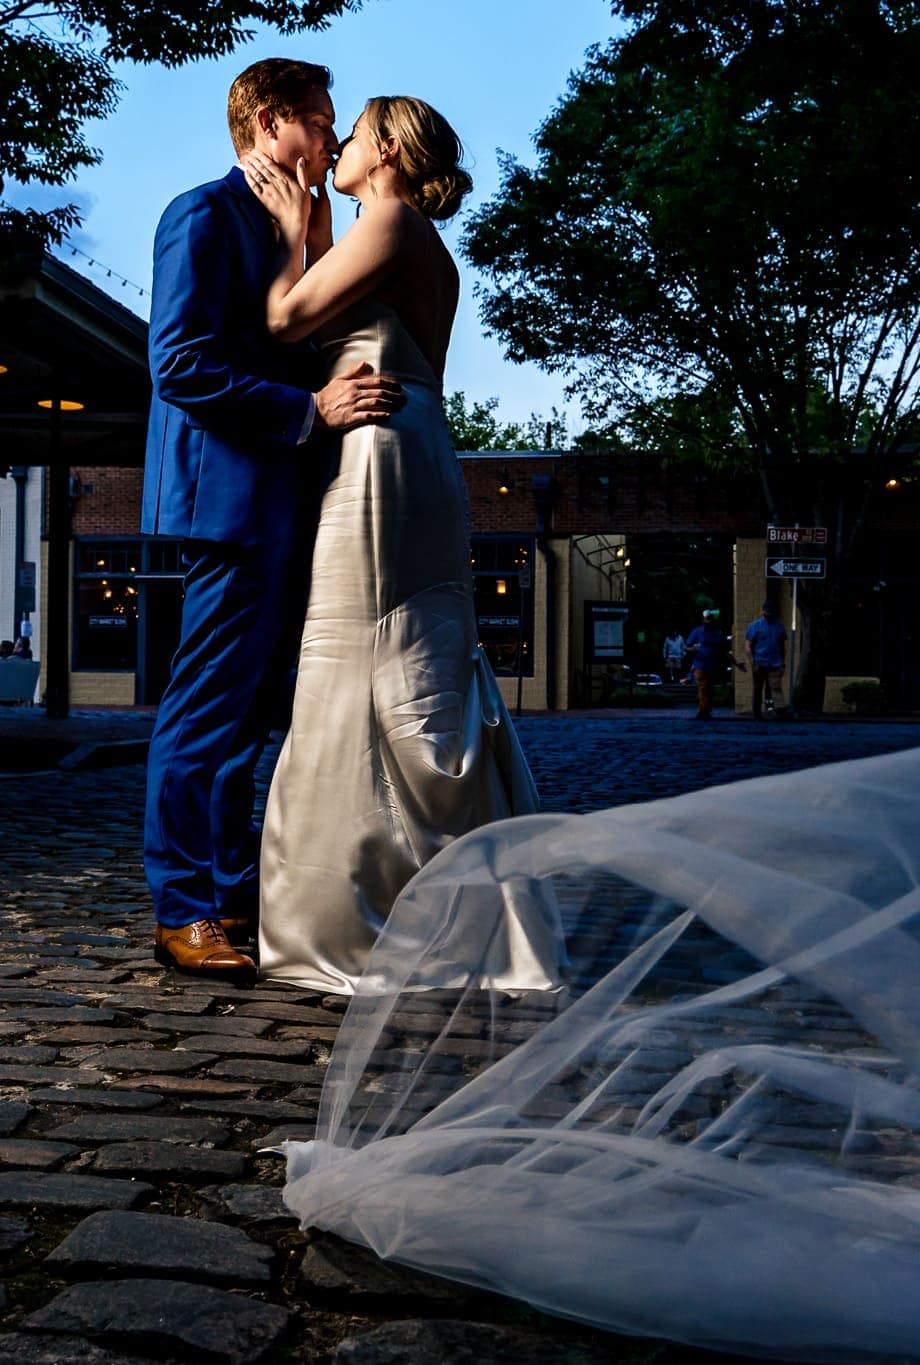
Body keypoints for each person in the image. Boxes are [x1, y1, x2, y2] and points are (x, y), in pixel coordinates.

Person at [238, 92, 543, 993]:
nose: (338, 144)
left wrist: (297, 229)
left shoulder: (395, 222)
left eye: (354, 133)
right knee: (398, 662)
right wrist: (326, 227)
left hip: (380, 458)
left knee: (358, 658)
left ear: (389, 150)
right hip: (406, 446)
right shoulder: (398, 237)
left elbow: (287, 320)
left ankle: (355, 917)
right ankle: (416, 898)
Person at [141, 59, 412, 978]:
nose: (332, 138)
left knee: (255, 717)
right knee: (205, 712)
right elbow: (179, 366)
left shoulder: (296, 220)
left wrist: (312, 233)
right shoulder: (200, 215)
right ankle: (183, 908)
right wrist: (309, 412)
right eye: (319, 121)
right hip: (228, 504)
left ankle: (225, 894)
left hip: (294, 506)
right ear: (268, 122)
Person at [738, 601, 789, 719]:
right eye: (767, 612)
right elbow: (748, 645)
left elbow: (782, 645)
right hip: (760, 661)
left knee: (775, 687)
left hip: (775, 662)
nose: (769, 614)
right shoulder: (755, 626)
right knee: (758, 688)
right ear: (763, 612)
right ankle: (757, 712)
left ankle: (780, 709)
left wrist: (782, 661)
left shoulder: (779, 626)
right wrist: (752, 661)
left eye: (771, 612)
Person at [683, 610, 727, 720]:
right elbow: (686, 647)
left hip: (713, 665)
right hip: (700, 664)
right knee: (703, 687)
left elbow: (723, 650)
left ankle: (706, 709)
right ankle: (703, 711)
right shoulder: (697, 632)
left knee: (709, 689)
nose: (709, 621)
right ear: (703, 620)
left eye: (710, 619)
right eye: (707, 619)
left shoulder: (717, 633)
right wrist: (693, 649)